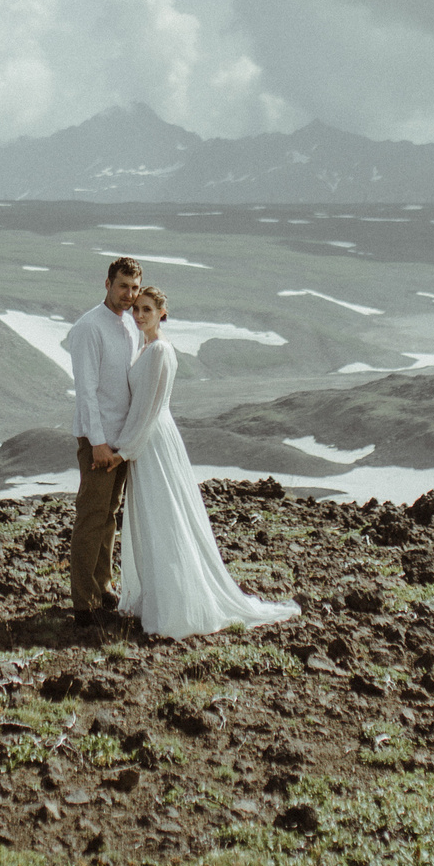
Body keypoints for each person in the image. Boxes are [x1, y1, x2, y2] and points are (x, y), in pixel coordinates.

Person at [112, 286, 300, 639]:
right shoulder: (145, 347)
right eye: (136, 309)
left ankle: (179, 606)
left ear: (161, 313)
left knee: (166, 517)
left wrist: (123, 451)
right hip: (147, 444)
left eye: (147, 310)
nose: (139, 315)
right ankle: (160, 596)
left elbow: (149, 411)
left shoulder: (160, 351)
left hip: (153, 442)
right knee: (153, 518)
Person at [62, 256, 142, 623]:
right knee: (91, 516)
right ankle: (84, 603)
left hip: (120, 440)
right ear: (107, 283)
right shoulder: (89, 328)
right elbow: (87, 392)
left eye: (134, 287)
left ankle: (102, 585)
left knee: (109, 514)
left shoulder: (128, 323)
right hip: (99, 439)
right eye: (123, 285)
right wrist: (97, 442)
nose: (129, 294)